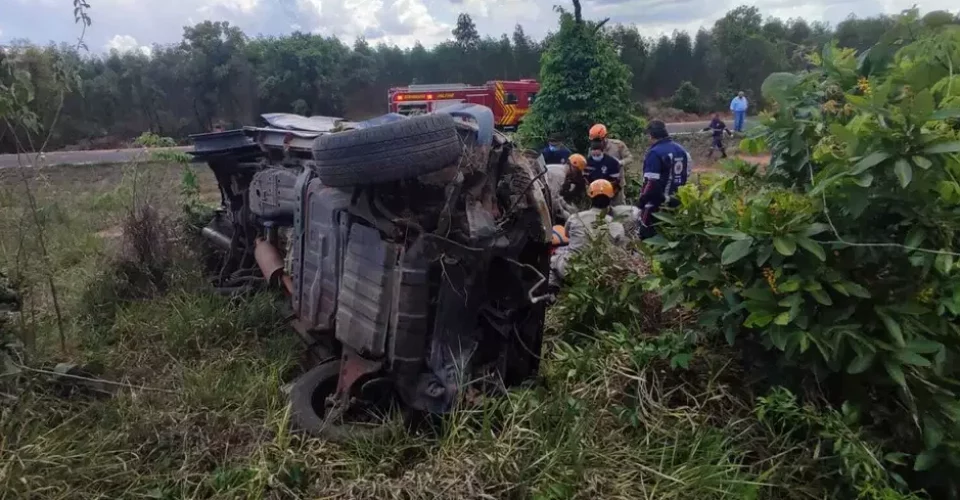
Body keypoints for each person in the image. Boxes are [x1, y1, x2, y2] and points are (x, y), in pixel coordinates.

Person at [549, 179, 627, 288]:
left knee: (553, 261)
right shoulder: (616, 225)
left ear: (590, 197)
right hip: (600, 273)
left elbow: (567, 236)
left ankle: (552, 292)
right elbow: (620, 250)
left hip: (573, 270)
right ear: (610, 199)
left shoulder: (575, 218)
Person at [636, 120, 691, 239]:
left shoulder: (655, 153)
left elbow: (651, 182)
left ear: (651, 135)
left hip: (657, 204)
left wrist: (642, 201)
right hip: (678, 201)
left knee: (647, 238)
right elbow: (686, 175)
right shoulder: (682, 151)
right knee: (672, 236)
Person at [589, 123, 634, 197]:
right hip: (600, 186)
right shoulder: (592, 150)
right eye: (594, 140)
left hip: (616, 184)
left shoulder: (617, 145)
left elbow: (630, 158)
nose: (596, 143)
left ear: (605, 137)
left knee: (619, 207)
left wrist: (620, 162)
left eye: (598, 140)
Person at [545, 153, 588, 222]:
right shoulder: (560, 175)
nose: (576, 175)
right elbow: (552, 199)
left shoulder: (560, 170)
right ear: (574, 168)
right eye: (577, 172)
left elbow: (556, 195)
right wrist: (564, 213)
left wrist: (566, 206)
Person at [585, 140, 625, 205]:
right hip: (593, 190)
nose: (595, 156)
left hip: (609, 189)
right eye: (593, 154)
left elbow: (615, 180)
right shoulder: (587, 162)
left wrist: (605, 188)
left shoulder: (612, 162)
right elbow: (586, 178)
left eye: (597, 154)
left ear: (602, 151)